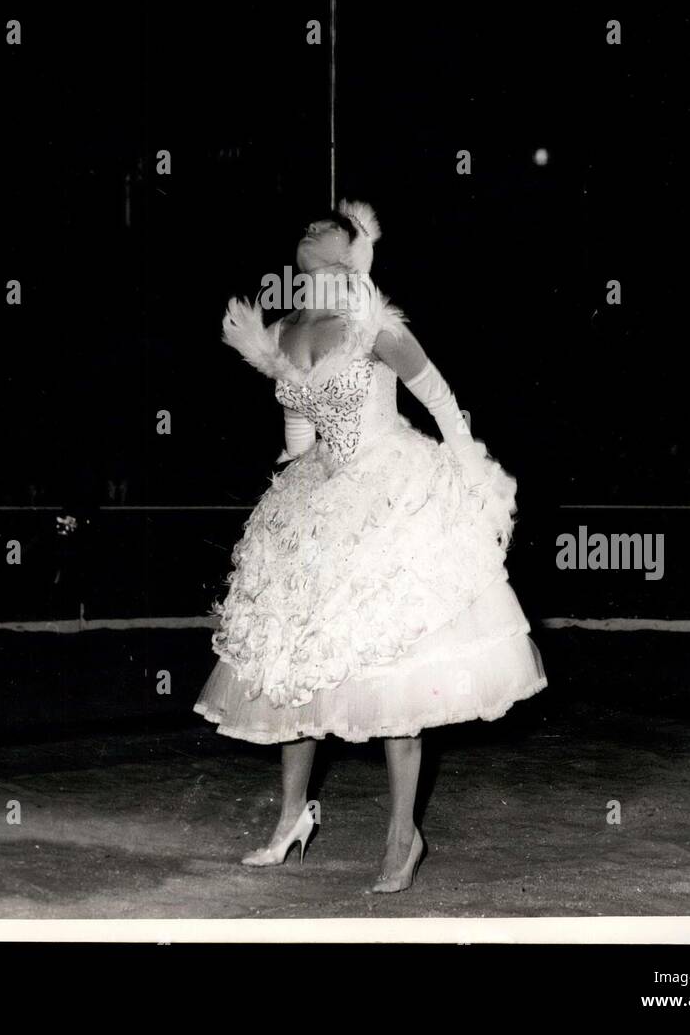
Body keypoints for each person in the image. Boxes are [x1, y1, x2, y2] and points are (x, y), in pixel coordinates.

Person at [194, 200, 547, 892]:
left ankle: (401, 835)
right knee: (292, 659)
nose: (307, 230)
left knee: (395, 667)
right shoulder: (288, 331)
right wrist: (298, 503)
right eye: (302, 227)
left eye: (324, 228)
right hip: (322, 496)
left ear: (352, 251)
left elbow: (442, 401)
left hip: (392, 491)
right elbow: (299, 432)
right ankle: (292, 817)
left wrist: (469, 473)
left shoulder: (373, 325)